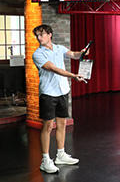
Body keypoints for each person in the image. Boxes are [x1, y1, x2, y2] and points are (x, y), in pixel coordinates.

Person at [32, 24, 87, 173]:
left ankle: (61, 155)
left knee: (62, 124)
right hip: (48, 93)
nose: (39, 38)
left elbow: (74, 55)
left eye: (41, 34)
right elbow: (54, 69)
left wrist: (81, 53)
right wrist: (73, 75)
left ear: (50, 34)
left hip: (62, 91)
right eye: (37, 35)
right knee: (48, 126)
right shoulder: (38, 54)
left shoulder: (59, 48)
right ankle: (45, 160)